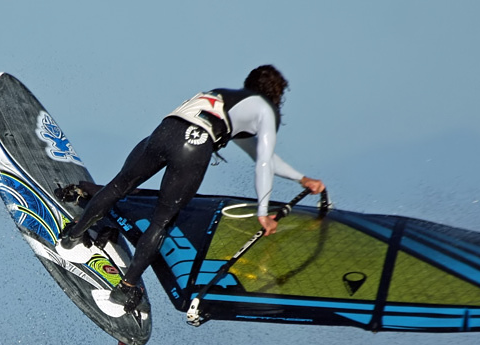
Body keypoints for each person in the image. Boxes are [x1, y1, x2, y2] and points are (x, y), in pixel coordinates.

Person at [55, 65, 325, 313]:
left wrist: (301, 179)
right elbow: (264, 161)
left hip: (166, 130)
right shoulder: (266, 110)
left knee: (118, 186)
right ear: (277, 95)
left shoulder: (224, 98)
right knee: (162, 220)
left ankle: (72, 236)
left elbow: (258, 156)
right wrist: (263, 213)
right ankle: (125, 289)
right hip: (195, 145)